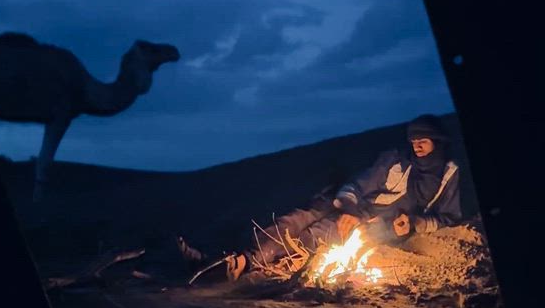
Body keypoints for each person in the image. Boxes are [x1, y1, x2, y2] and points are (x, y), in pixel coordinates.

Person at [180, 113, 461, 282]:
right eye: (413, 142)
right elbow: (356, 185)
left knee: (310, 238)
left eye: (423, 141)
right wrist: (349, 208)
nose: (417, 147)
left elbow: (448, 217)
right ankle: (234, 260)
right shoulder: (395, 161)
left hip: (375, 225)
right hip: (344, 206)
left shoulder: (448, 174)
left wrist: (413, 224)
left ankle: (244, 267)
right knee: (293, 220)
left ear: (438, 142)